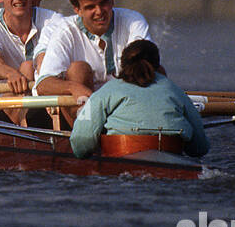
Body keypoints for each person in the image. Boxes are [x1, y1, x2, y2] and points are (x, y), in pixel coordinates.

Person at [35, 0, 151, 124]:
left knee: (153, 68)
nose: (99, 12)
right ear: (77, 10)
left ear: (112, 0)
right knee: (78, 69)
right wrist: (73, 88)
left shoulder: (134, 21)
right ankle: (87, 136)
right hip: (85, 111)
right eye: (90, 7)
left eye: (104, 3)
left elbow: (149, 65)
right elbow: (43, 84)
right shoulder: (65, 30)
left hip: (126, 105)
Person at [68, 40, 208, 159]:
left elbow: (81, 144)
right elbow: (200, 148)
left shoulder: (106, 91)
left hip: (122, 158)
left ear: (123, 65)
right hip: (172, 156)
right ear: (158, 67)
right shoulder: (176, 91)